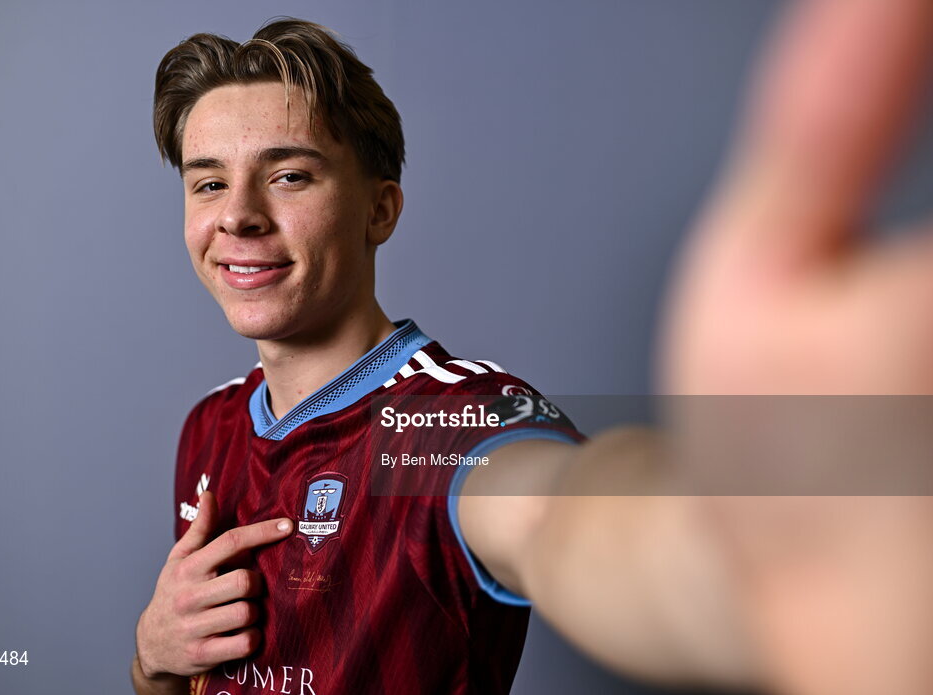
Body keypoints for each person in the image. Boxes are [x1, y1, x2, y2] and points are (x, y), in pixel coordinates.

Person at [134, 1, 933, 694]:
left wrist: (744, 557)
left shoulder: (452, 424)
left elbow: (561, 518)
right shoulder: (209, 425)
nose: (236, 215)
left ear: (380, 211)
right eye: (207, 182)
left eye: (289, 176)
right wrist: (153, 662)